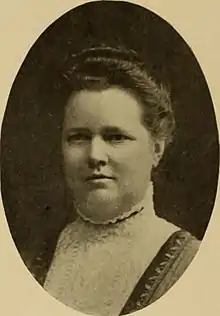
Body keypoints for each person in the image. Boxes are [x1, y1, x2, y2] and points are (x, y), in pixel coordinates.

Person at [43, 46, 200, 316]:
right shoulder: (39, 250)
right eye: (78, 137)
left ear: (157, 149)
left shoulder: (192, 262)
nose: (94, 156)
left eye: (116, 137)